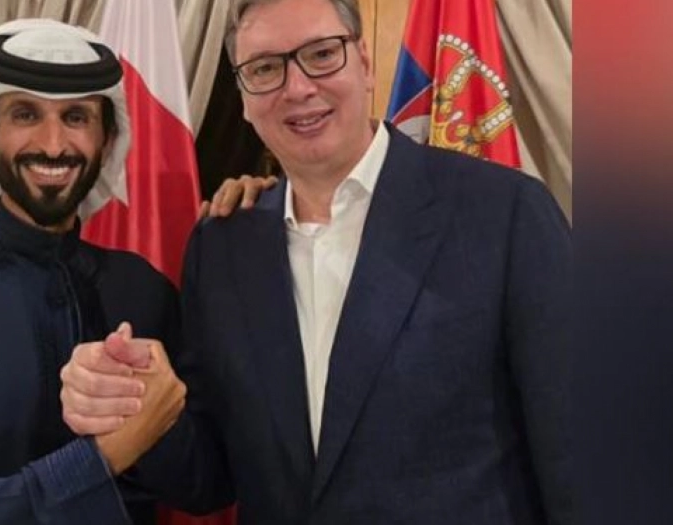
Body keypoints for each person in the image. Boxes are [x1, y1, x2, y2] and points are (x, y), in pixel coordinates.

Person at [60, 0, 574, 524]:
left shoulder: (504, 213)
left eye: (322, 54)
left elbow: (578, 452)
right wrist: (139, 406)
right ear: (243, 98)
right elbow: (212, 476)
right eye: (265, 68)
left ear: (365, 63)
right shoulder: (221, 250)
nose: (298, 87)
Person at [0, 18, 271, 525]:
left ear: (107, 141)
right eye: (25, 114)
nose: (53, 144)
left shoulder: (143, 289)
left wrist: (159, 418)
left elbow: (209, 486)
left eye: (76, 117)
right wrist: (98, 461)